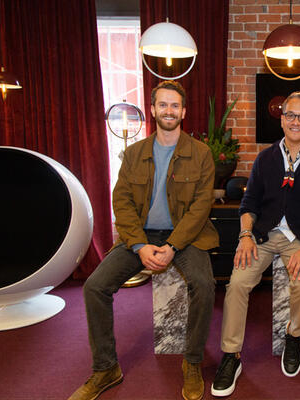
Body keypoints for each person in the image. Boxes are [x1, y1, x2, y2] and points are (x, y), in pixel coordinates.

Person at [69, 81, 218, 400]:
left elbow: (200, 208)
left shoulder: (201, 153)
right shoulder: (135, 153)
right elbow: (120, 201)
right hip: (141, 236)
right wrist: (139, 245)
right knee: (94, 286)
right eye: (163, 105)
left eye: (175, 105)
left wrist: (172, 246)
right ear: (152, 109)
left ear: (184, 112)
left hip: (185, 237)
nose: (169, 110)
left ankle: (192, 362)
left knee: (204, 285)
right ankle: (106, 368)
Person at [210, 92, 300, 397]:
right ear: (282, 119)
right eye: (291, 115)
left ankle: (294, 335)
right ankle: (231, 355)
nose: (296, 121)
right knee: (238, 282)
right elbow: (248, 203)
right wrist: (244, 236)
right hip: (264, 236)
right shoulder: (266, 158)